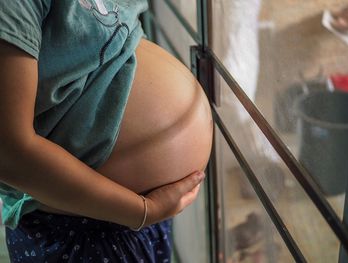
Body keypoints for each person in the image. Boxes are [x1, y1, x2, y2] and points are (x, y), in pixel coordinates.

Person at [0, 0, 213, 262]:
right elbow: (9, 152)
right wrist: (141, 211)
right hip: (81, 230)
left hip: (132, 214)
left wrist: (147, 212)